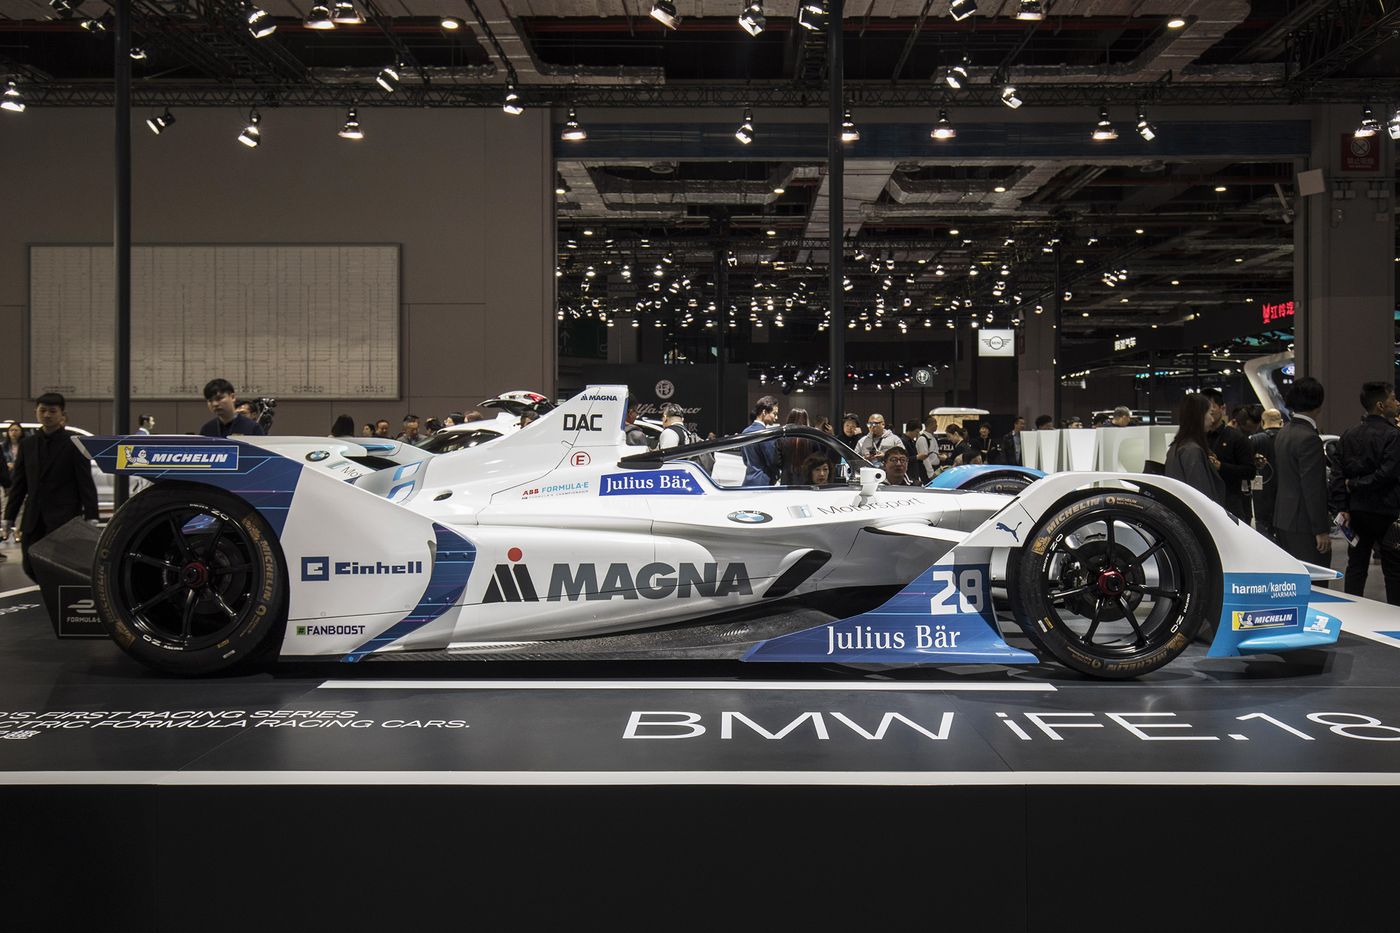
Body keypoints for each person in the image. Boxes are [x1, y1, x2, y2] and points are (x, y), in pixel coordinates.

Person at [2, 393, 99, 580]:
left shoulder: (75, 443)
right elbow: (19, 484)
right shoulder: (28, 444)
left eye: (53, 411)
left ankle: (52, 595)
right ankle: (47, 590)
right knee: (29, 565)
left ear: (62, 414)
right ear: (36, 412)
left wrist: (92, 515)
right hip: (33, 517)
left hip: (64, 517)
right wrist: (9, 516)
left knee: (59, 565)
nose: (47, 415)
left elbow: (85, 482)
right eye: (43, 410)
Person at [1331, 381, 1400, 604]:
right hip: (1388, 513)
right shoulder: (1393, 435)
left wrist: (1343, 506)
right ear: (1380, 405)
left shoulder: (1348, 434)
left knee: (1356, 566)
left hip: (1357, 512)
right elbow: (1387, 474)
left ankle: (1353, 614)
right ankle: (1395, 617)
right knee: (1393, 571)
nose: (1397, 403)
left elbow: (1337, 475)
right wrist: (1356, 485)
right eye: (1393, 399)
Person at [1274, 377, 1331, 571]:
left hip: (1283, 518)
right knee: (1315, 578)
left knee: (1293, 577)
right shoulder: (1309, 438)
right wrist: (1321, 530)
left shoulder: (1284, 432)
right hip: (1304, 524)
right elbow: (1313, 489)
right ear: (1318, 404)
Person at [1203, 388, 1255, 524]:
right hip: (1204, 504)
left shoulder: (1236, 437)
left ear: (1223, 408)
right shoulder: (1198, 438)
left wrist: (1221, 466)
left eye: (1212, 408)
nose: (1208, 413)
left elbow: (1250, 471)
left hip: (1231, 505)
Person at [1166, 394, 1227, 505]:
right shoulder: (1192, 451)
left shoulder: (1176, 447)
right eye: (1210, 413)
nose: (1212, 419)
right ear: (1199, 416)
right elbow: (1201, 494)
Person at [1250, 408, 1284, 542]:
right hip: (1286, 495)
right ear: (1281, 422)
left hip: (1262, 495)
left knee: (1264, 536)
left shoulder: (1255, 439)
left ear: (1262, 422)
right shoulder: (1287, 438)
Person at [199, 379, 265, 438]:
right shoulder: (206, 430)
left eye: (219, 398)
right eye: (210, 400)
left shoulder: (253, 428)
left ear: (232, 397)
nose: (215, 404)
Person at [741, 396, 781, 486]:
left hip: (748, 482)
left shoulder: (745, 432)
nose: (776, 417)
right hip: (763, 483)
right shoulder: (765, 434)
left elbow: (745, 460)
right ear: (764, 412)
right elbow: (772, 461)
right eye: (774, 414)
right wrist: (777, 475)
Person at [778, 409, 817, 486]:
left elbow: (777, 461)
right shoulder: (813, 439)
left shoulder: (781, 438)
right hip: (807, 478)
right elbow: (817, 458)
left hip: (787, 477)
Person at [915, 413, 941, 480]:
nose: (937, 425)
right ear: (930, 424)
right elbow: (925, 458)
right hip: (927, 471)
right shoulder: (922, 439)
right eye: (935, 423)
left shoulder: (933, 438)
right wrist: (931, 474)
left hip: (936, 469)